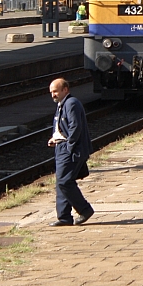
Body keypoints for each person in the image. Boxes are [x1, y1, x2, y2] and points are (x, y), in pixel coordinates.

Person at [48, 78, 94, 227]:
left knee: (64, 181)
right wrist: (55, 138)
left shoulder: (71, 103)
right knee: (61, 182)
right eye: (51, 92)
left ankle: (85, 210)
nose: (53, 95)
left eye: (55, 91)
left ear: (65, 90)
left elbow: (75, 127)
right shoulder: (62, 104)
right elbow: (62, 126)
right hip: (61, 146)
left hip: (70, 149)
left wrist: (69, 146)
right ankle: (64, 217)